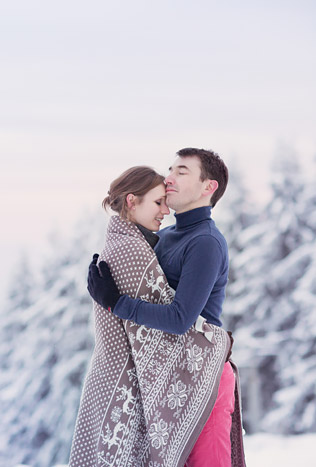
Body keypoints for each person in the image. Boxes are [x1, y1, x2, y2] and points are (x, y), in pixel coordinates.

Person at [85, 149, 246, 466]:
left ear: (207, 187)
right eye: (170, 168)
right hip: (171, 379)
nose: (169, 176)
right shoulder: (166, 234)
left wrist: (115, 302)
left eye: (182, 171)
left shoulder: (206, 242)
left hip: (204, 380)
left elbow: (179, 319)